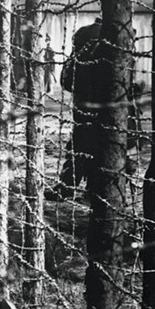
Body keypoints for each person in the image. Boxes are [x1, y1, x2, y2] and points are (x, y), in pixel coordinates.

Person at [46, 17, 103, 202]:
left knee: (79, 143)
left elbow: (68, 78)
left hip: (83, 101)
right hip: (107, 104)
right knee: (102, 146)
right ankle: (95, 189)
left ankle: (68, 186)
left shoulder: (84, 34)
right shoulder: (117, 35)